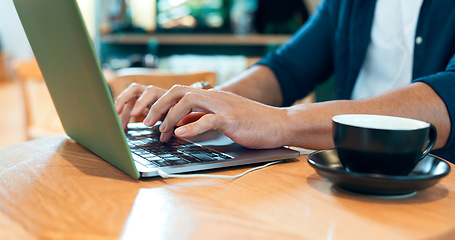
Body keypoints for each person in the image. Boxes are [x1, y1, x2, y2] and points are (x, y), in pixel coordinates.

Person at [115, 0, 455, 163]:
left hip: (435, 182)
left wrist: (282, 122)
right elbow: (286, 68)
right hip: (346, 170)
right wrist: (204, 102)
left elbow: (446, 100)